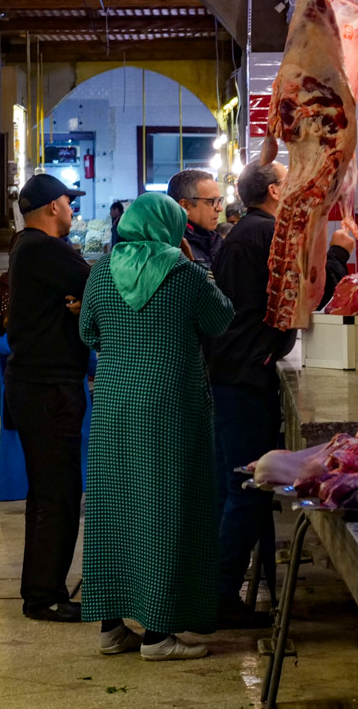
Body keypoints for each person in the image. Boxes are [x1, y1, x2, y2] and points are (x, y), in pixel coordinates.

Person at [80, 192, 234, 661]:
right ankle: (158, 634)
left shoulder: (102, 272)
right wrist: (193, 267)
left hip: (112, 404)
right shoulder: (185, 273)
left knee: (114, 507)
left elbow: (88, 331)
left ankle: (111, 627)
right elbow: (221, 319)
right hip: (170, 403)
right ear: (171, 227)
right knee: (165, 505)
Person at [210, 160, 355, 627]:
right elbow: (308, 296)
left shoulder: (246, 232)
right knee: (247, 488)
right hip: (243, 376)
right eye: (290, 176)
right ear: (275, 191)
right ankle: (220, 597)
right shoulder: (266, 234)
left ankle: (219, 590)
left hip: (237, 372)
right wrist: (337, 253)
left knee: (240, 484)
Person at [5, 174, 90, 623]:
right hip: (46, 388)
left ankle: (41, 589)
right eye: (68, 202)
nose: (72, 210)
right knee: (58, 493)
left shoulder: (27, 247)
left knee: (47, 493)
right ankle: (45, 595)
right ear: (53, 206)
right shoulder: (44, 248)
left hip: (36, 385)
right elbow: (101, 285)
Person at [167, 169, 223, 269]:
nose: (219, 208)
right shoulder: (173, 249)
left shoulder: (217, 241)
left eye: (220, 200)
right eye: (211, 201)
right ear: (185, 206)